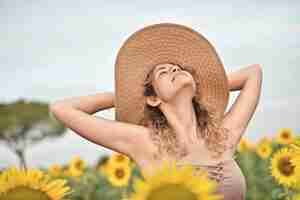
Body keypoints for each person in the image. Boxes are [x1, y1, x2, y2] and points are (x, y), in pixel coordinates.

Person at [50, 23, 262, 200]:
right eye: (163, 71)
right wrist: (128, 97)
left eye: (178, 69)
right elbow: (62, 109)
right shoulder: (144, 142)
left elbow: (253, 73)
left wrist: (203, 82)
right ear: (153, 98)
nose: (174, 69)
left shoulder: (222, 137)